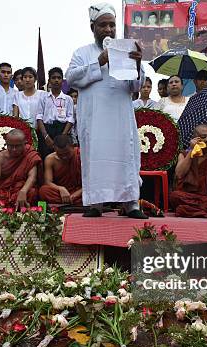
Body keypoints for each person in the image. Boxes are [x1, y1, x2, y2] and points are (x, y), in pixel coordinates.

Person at [66, 2, 148, 218]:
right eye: (103, 25)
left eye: (112, 25)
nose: (109, 30)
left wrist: (138, 66)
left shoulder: (126, 49)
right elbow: (71, 79)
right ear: (93, 27)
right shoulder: (82, 53)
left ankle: (131, 204)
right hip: (94, 119)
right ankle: (96, 204)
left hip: (121, 117)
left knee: (126, 156)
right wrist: (99, 61)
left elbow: (136, 87)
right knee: (96, 157)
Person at [36, 67, 74, 159]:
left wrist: (63, 136)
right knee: (46, 158)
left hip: (62, 130)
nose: (56, 80)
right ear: (49, 80)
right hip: (47, 130)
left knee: (63, 159)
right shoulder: (43, 98)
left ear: (62, 80)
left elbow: (70, 118)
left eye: (59, 78)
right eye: (53, 78)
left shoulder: (68, 99)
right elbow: (39, 117)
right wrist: (46, 136)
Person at [39, 134, 82, 205]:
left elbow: (90, 182)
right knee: (43, 191)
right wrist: (60, 188)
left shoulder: (81, 155)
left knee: (94, 190)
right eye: (60, 155)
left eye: (67, 153)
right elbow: (48, 182)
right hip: (62, 193)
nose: (64, 157)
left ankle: (69, 201)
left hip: (81, 191)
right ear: (54, 149)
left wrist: (76, 194)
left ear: (73, 146)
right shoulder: (50, 159)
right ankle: (73, 201)